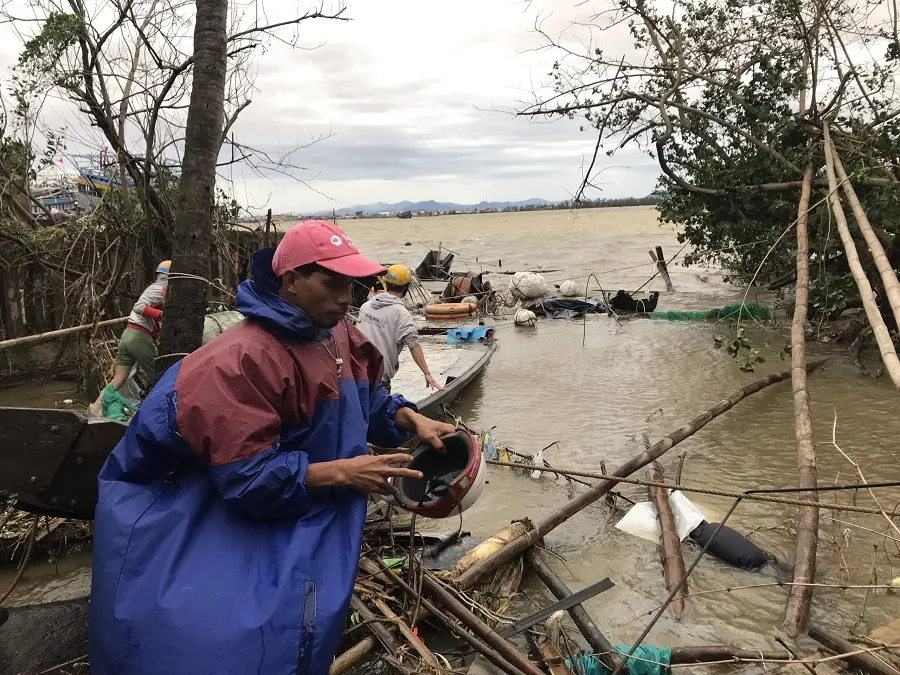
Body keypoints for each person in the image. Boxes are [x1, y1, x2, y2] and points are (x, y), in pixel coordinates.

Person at [89, 220, 455, 675]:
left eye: (352, 283)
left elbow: (368, 396)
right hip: (189, 506)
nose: (347, 297)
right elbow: (247, 478)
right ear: (291, 281)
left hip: (301, 497)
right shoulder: (239, 360)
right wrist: (343, 473)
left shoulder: (336, 332)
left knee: (308, 621)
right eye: (333, 282)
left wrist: (407, 417)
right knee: (234, 641)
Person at [91, 260, 169, 415]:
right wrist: (162, 315)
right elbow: (139, 307)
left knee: (118, 380)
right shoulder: (159, 289)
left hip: (128, 335)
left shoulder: (155, 290)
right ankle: (157, 412)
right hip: (138, 337)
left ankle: (96, 407)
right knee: (159, 376)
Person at [357, 264, 443, 391]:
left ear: (386, 283)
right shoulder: (401, 313)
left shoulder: (366, 306)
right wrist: (427, 373)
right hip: (378, 380)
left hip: (356, 374)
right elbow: (413, 345)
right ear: (406, 287)